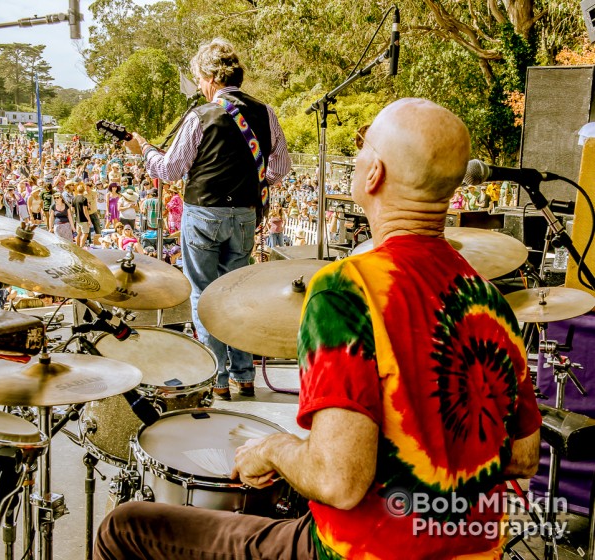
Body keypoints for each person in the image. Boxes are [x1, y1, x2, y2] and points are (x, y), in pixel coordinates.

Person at [95, 98, 542, 560]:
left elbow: (339, 482)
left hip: (360, 551)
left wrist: (274, 449)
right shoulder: (489, 302)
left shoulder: (349, 290)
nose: (359, 153)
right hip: (479, 550)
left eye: (362, 145)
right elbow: (524, 456)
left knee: (126, 528)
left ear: (375, 174)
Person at [125, 38, 291, 401]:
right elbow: (280, 168)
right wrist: (251, 179)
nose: (199, 85)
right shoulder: (265, 113)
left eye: (200, 78)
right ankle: (244, 377)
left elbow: (169, 170)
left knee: (204, 295)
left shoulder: (200, 116)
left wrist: (145, 150)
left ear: (212, 77)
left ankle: (216, 379)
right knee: (237, 293)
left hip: (203, 214)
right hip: (246, 216)